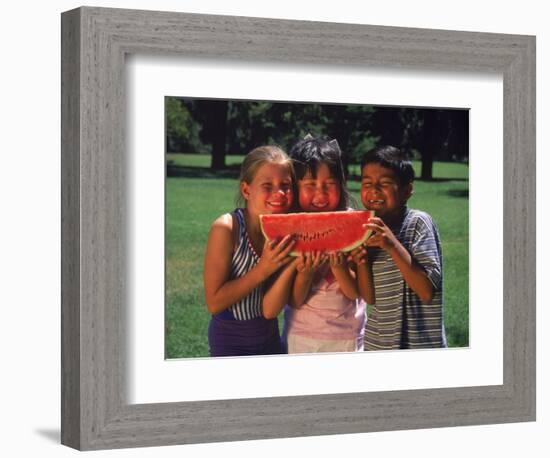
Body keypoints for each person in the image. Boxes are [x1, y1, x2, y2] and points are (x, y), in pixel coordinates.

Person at [203, 145, 297, 357]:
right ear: (246, 190)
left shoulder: (285, 231)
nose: (279, 193)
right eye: (267, 185)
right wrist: (262, 270)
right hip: (230, 343)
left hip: (271, 336)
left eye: (285, 185)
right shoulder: (226, 228)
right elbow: (214, 302)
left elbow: (272, 307)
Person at [282, 136, 366, 354]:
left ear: (341, 184)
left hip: (347, 336)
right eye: (310, 185)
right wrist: (306, 273)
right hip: (300, 335)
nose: (320, 194)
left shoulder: (352, 222)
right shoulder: (289, 227)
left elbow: (354, 292)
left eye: (329, 184)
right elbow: (294, 299)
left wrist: (339, 268)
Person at [357, 145, 447, 349]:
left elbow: (426, 292)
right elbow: (369, 298)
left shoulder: (418, 222)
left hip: (420, 346)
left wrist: (392, 245)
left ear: (407, 190)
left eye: (385, 183)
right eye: (367, 183)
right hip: (378, 345)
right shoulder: (367, 229)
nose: (374, 191)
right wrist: (360, 261)